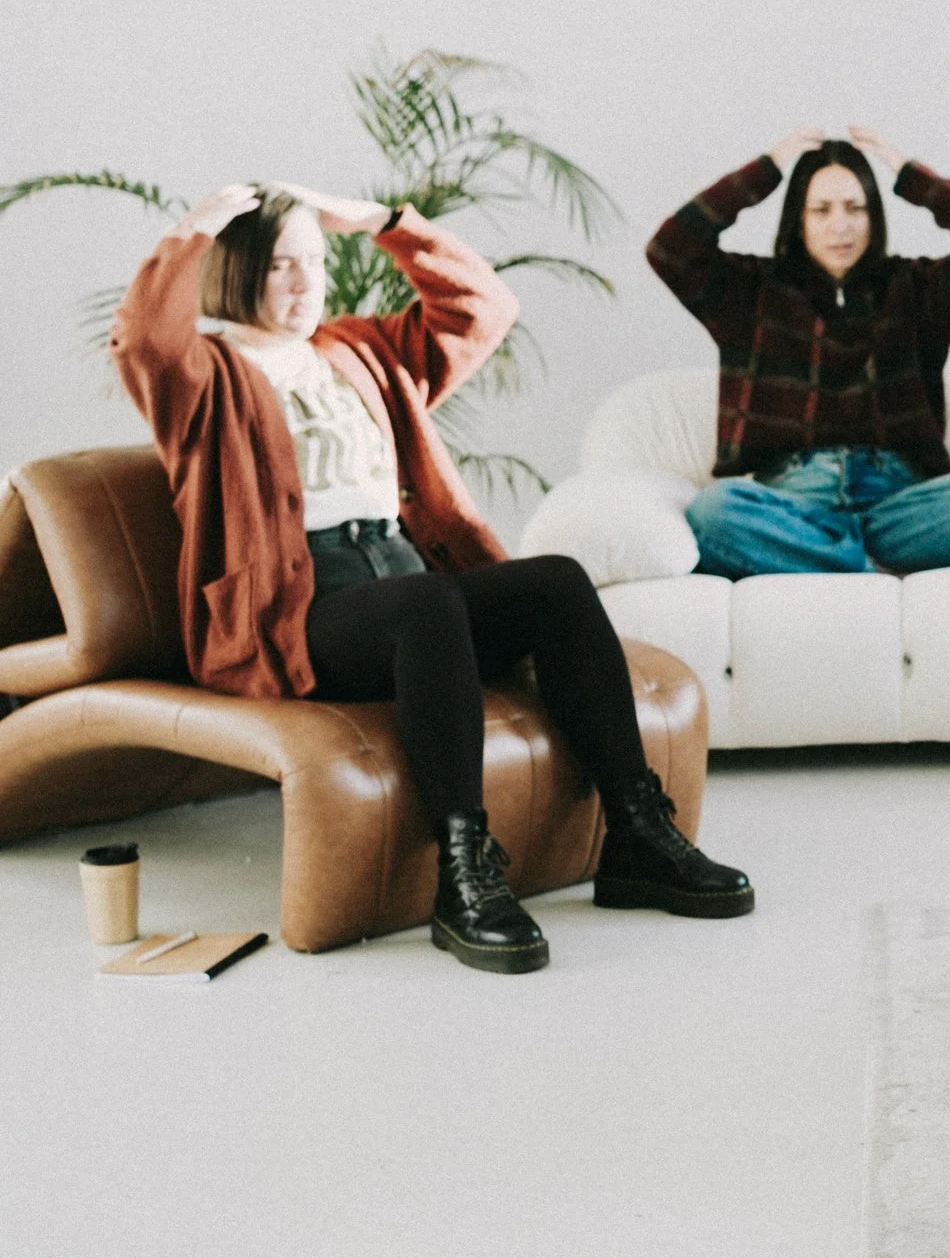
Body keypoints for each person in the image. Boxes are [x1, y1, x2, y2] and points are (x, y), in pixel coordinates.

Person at [112, 185, 754, 976]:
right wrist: (198, 228)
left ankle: (636, 832)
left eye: (315, 261)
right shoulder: (203, 376)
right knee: (428, 604)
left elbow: (483, 308)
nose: (304, 283)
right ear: (233, 268)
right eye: (280, 265)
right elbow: (144, 338)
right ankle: (464, 873)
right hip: (298, 609)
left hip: (410, 586)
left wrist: (387, 224)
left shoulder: (359, 352)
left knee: (551, 581)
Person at [650, 126, 950, 577]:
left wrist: (911, 176)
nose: (840, 226)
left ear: (874, 217)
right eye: (821, 210)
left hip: (897, 501)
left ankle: (824, 557)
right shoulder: (751, 292)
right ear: (799, 218)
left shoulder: (916, 290)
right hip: (793, 499)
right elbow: (671, 250)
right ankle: (861, 561)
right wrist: (768, 167)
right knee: (712, 513)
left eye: (855, 208)